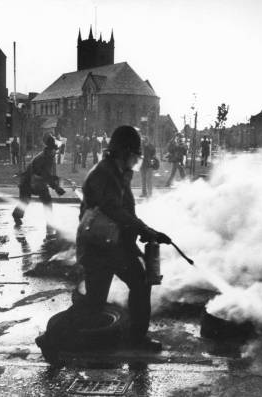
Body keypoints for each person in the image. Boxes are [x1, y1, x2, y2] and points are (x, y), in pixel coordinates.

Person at [77, 125, 171, 351]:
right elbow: (114, 211)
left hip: (112, 245)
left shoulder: (118, 173)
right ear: (123, 151)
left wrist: (142, 238)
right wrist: (145, 230)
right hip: (99, 247)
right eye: (134, 155)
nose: (135, 160)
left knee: (139, 282)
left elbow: (127, 213)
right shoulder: (104, 174)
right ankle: (61, 336)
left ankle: (136, 338)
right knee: (96, 303)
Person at [12, 135, 66, 230]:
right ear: (49, 150)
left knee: (47, 200)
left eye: (55, 150)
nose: (55, 152)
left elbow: (50, 175)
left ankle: (49, 221)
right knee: (25, 201)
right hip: (27, 182)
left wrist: (56, 182)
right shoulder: (42, 158)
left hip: (39, 182)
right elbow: (45, 175)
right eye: (54, 150)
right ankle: (16, 216)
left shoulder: (49, 157)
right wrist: (56, 187)